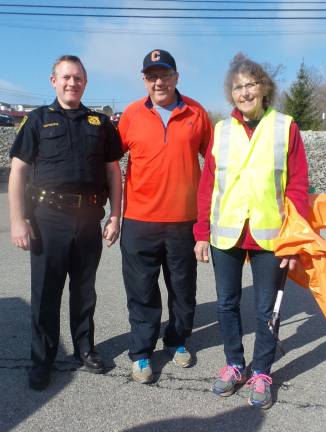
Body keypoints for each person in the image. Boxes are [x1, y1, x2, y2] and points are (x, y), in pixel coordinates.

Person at [194, 53, 309, 409]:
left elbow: (298, 189)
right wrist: (201, 232)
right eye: (237, 86)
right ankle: (234, 364)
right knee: (227, 304)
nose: (244, 92)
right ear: (231, 93)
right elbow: (208, 184)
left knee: (265, 310)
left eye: (251, 84)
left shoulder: (285, 126)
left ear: (264, 88)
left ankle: (261, 371)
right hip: (225, 235)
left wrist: (294, 240)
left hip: (270, 235)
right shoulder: (222, 129)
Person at [8, 55, 123, 391]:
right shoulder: (36, 120)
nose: (72, 83)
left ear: (85, 83)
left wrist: (115, 215)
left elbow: (114, 172)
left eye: (79, 78)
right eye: (66, 77)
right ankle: (42, 359)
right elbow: (18, 171)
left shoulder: (100, 123)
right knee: (46, 292)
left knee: (84, 290)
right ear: (53, 80)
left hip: (88, 218)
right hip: (48, 219)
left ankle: (84, 349)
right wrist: (17, 220)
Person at [118, 49, 213, 384]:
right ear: (144, 80)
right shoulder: (130, 115)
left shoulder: (197, 113)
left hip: (183, 222)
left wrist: (208, 218)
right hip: (139, 221)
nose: (158, 81)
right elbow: (109, 162)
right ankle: (141, 353)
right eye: (151, 76)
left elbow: (215, 164)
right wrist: (114, 213)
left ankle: (177, 340)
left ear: (176, 77)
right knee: (142, 290)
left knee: (183, 289)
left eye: (165, 74)